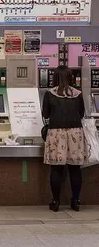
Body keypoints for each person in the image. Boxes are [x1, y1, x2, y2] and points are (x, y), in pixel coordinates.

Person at [42, 65, 87, 212]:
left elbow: (46, 114)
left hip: (57, 133)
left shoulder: (50, 94)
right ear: (70, 77)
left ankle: (55, 202)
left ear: (54, 78)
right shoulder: (78, 94)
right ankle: (76, 201)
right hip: (75, 133)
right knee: (75, 169)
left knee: (56, 169)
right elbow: (81, 113)